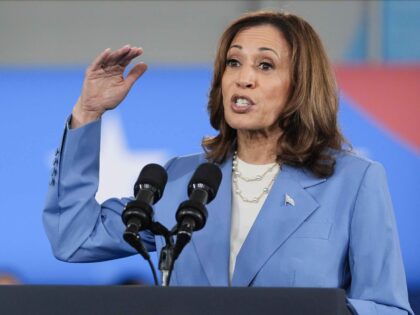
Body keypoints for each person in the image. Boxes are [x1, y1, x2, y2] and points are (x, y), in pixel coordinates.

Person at [43, 11, 413, 314]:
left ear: (301, 84)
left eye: (265, 65)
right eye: (233, 62)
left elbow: (388, 307)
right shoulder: (182, 180)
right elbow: (74, 237)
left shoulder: (353, 181)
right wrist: (87, 114)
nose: (243, 78)